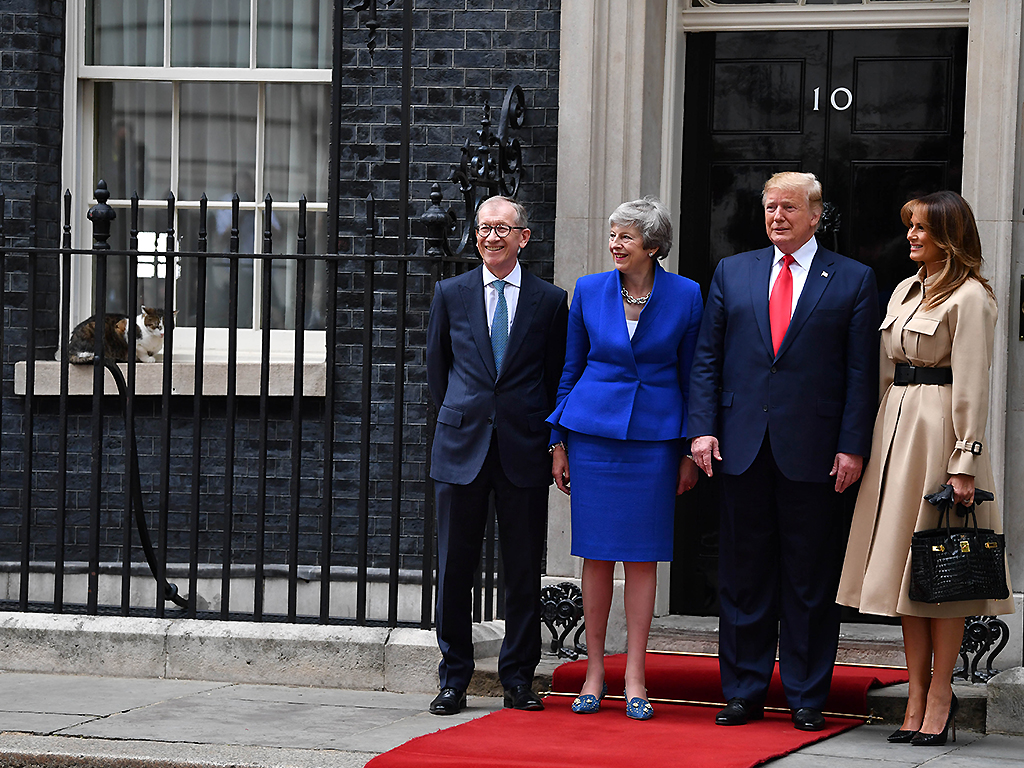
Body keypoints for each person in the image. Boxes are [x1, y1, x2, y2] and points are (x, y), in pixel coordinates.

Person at [688, 172, 879, 731]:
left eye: (789, 208)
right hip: (741, 447)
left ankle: (805, 695)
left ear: (816, 215)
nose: (777, 217)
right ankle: (743, 690)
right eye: (770, 207)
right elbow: (707, 358)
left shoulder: (853, 279)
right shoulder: (733, 270)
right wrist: (702, 428)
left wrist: (852, 446)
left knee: (808, 579)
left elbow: (860, 375)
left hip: (817, 453)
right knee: (743, 576)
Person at [837, 191, 1014, 746]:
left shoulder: (971, 299)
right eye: (910, 226)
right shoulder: (904, 289)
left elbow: (974, 386)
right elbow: (886, 373)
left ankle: (941, 694)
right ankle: (914, 694)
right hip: (896, 431)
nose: (911, 235)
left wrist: (964, 463)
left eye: (922, 227)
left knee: (943, 578)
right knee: (904, 576)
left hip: (940, 434)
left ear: (949, 235)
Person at [547, 197, 703, 721]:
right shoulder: (590, 289)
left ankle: (635, 674)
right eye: (612, 234)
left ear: (653, 246)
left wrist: (687, 449)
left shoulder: (686, 294)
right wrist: (558, 441)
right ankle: (594, 670)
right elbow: (570, 369)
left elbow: (691, 377)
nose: (614, 244)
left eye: (625, 237)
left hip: (656, 440)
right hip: (592, 435)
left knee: (642, 556)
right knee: (596, 554)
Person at [425, 195, 568, 715]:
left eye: (502, 229)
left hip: (523, 450)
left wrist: (552, 440)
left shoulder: (551, 301)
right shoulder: (451, 292)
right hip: (461, 447)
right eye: (484, 229)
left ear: (523, 237)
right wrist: (466, 414)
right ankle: (453, 678)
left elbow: (556, 378)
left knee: (522, 570)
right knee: (455, 569)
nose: (490, 237)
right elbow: (437, 372)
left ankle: (518, 679)